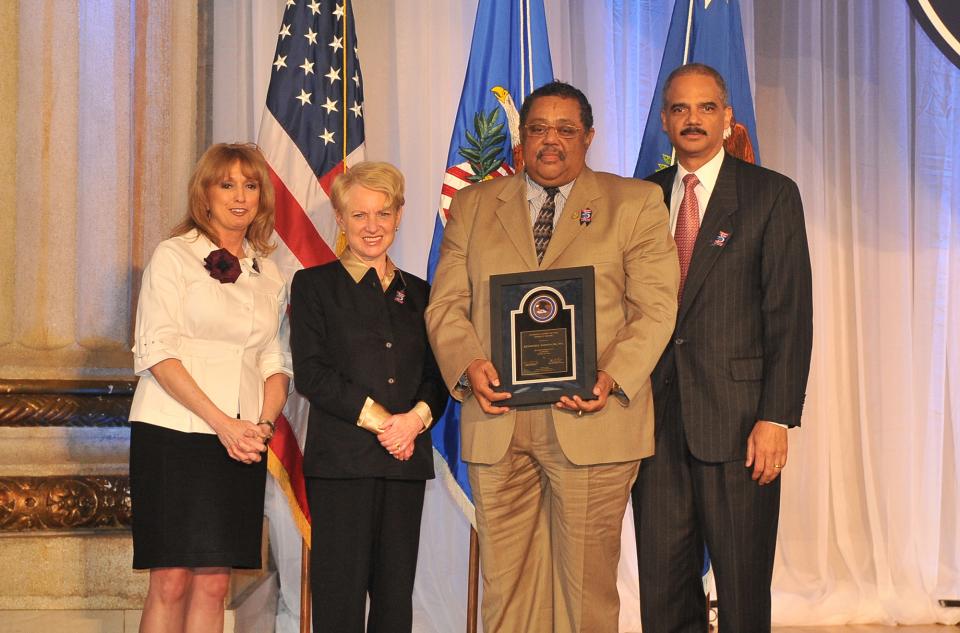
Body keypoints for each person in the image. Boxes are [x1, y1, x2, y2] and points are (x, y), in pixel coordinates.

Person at [425, 81, 679, 633]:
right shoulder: (471, 206)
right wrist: (469, 366)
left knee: (585, 590)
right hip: (498, 420)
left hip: (594, 418)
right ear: (522, 137)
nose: (551, 141)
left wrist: (611, 378)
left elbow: (656, 309)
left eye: (566, 130)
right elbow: (445, 304)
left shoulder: (634, 203)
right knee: (506, 586)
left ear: (588, 137)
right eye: (538, 128)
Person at [631, 63, 813, 633]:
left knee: (740, 585)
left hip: (739, 428)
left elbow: (789, 316)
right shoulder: (637, 201)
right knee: (662, 587)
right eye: (680, 109)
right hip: (652, 424)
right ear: (664, 121)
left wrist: (776, 418)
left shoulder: (770, 195)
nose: (692, 120)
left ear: (727, 117)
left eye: (706, 108)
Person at [128, 142, 292, 633]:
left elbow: (275, 360)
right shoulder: (174, 256)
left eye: (250, 184)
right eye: (227, 184)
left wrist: (260, 427)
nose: (240, 196)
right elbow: (155, 351)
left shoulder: (270, 272)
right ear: (205, 193)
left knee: (216, 585)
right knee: (172, 580)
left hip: (241, 444)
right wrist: (224, 424)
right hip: (174, 434)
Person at [289, 161, 447, 633]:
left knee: (395, 599)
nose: (372, 226)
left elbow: (438, 376)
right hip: (341, 465)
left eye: (382, 213)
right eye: (359, 215)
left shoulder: (422, 293)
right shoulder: (314, 286)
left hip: (404, 462)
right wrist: (386, 423)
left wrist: (414, 421)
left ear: (399, 216)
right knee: (339, 598)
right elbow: (312, 374)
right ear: (340, 219)